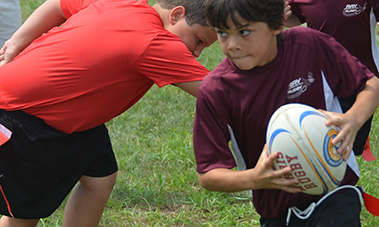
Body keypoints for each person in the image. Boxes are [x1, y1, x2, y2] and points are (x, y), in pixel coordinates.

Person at [0, 0, 217, 226]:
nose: (197, 52)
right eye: (198, 40)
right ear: (176, 15)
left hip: (72, 116)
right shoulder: (156, 43)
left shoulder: (120, 2)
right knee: (25, 214)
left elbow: (57, 4)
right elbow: (218, 95)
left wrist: (16, 42)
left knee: (99, 178)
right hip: (27, 116)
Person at [193, 0, 379, 226]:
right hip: (276, 211)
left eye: (244, 31)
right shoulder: (216, 90)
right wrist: (254, 178)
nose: (232, 44)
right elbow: (208, 175)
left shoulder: (309, 46)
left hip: (336, 190)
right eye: (223, 33)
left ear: (276, 24)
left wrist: (353, 119)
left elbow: (371, 85)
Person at [285, 0, 379, 158]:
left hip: (363, 82)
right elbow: (292, 18)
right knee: (323, 145)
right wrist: (280, 14)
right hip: (323, 80)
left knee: (352, 147)